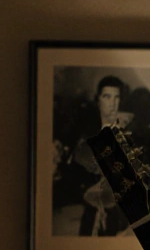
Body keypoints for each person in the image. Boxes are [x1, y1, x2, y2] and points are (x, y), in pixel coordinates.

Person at [52, 74, 132, 236]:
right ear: (98, 100)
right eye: (107, 97)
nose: (112, 103)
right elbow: (74, 170)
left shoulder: (127, 134)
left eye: (116, 98)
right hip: (89, 200)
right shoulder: (86, 134)